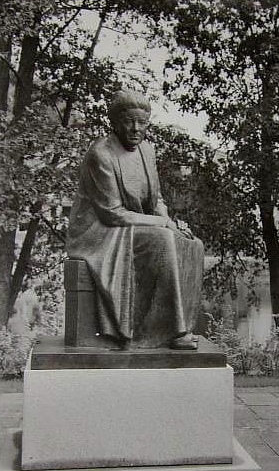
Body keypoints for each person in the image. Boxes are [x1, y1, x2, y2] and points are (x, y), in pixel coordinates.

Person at [66, 89, 204, 349]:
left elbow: (157, 199)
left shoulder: (147, 151)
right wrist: (162, 225)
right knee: (162, 240)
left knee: (192, 243)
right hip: (99, 231)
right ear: (116, 122)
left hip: (133, 224)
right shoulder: (101, 154)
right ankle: (165, 333)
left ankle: (173, 325)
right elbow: (112, 214)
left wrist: (169, 220)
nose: (135, 128)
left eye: (142, 122)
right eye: (129, 121)